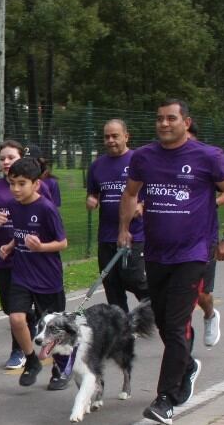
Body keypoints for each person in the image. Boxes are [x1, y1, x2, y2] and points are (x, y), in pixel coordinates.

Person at [118, 100, 224, 425]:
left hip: (193, 254)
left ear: (186, 122)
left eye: (171, 118)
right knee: (162, 320)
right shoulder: (144, 157)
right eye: (159, 118)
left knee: (175, 325)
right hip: (157, 253)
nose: (164, 124)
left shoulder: (208, 157)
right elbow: (130, 193)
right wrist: (124, 229)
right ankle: (187, 366)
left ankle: (166, 399)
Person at [0, 158, 69, 390]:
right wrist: (11, 245)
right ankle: (31, 360)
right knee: (16, 318)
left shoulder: (46, 208)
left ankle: (60, 368)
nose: (16, 189)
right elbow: (21, 232)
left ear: (36, 184)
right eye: (12, 183)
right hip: (22, 273)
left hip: (48, 278)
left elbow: (63, 243)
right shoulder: (14, 205)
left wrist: (41, 247)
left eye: (21, 184)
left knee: (56, 326)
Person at [0, 140, 34, 370]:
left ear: (21, 158)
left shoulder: (34, 185)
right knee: (8, 305)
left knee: (16, 308)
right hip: (3, 254)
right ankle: (32, 322)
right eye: (2, 158)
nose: (5, 162)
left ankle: (18, 350)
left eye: (10, 157)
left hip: (30, 254)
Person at [86, 119, 150, 312]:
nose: (110, 140)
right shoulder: (97, 166)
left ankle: (155, 303)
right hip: (107, 235)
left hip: (134, 233)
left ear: (126, 136)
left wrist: (142, 205)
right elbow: (93, 192)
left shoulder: (138, 161)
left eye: (115, 136)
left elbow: (156, 190)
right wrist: (91, 199)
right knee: (111, 283)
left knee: (134, 278)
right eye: (107, 137)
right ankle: (121, 324)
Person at [187, 122, 224, 347]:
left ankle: (210, 315)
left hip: (204, 238)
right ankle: (181, 345)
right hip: (175, 241)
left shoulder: (208, 160)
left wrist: (211, 202)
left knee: (201, 292)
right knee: (179, 294)